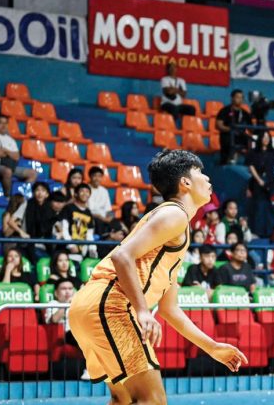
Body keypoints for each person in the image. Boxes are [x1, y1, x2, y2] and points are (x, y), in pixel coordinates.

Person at [68, 150, 247, 403]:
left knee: (124, 400)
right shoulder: (175, 214)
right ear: (185, 182)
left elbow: (169, 309)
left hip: (88, 306)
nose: (208, 180)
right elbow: (122, 257)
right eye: (201, 173)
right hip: (111, 306)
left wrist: (212, 347)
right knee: (152, 400)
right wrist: (142, 311)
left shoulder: (171, 228)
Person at [246, 132, 274, 238]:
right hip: (258, 183)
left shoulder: (272, 151)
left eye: (268, 137)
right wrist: (259, 180)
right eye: (264, 137)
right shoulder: (254, 152)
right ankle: (257, 231)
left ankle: (269, 231)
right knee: (259, 207)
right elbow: (251, 166)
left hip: (270, 183)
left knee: (270, 207)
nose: (266, 139)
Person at [0, 115, 37, 195]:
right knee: (7, 171)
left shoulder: (11, 140)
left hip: (9, 165)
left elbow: (16, 157)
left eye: (5, 123)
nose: (3, 125)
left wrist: (4, 150)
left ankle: (22, 196)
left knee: (33, 173)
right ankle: (8, 196)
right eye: (0, 123)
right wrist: (9, 153)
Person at [60, 183, 96, 262]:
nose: (85, 194)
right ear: (76, 194)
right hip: (68, 251)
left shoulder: (88, 212)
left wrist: (92, 248)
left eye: (87, 191)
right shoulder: (68, 208)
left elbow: (89, 233)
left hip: (82, 250)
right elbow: (64, 229)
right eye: (82, 191)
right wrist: (71, 245)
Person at [216, 89, 253, 164]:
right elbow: (219, 125)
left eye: (241, 98)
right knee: (228, 140)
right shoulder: (224, 110)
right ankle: (226, 162)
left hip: (241, 136)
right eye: (237, 97)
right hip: (227, 136)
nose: (239, 99)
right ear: (232, 98)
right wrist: (231, 130)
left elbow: (251, 128)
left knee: (250, 140)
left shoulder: (245, 113)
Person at [87, 166, 114, 235]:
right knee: (98, 222)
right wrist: (100, 217)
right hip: (92, 216)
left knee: (116, 223)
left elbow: (109, 210)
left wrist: (110, 218)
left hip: (104, 217)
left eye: (99, 176)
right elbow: (86, 209)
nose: (97, 179)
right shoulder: (85, 189)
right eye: (95, 176)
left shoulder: (104, 191)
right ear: (90, 177)